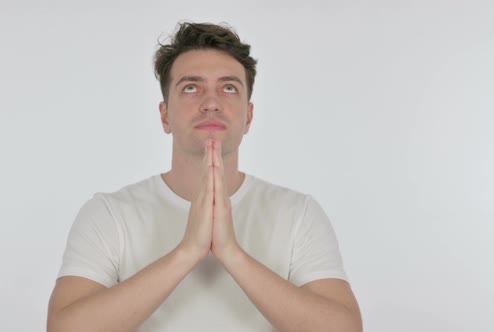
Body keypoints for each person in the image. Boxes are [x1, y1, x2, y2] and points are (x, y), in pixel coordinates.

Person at [47, 22, 362, 332]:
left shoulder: (298, 214)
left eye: (228, 88)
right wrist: (187, 252)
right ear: (165, 114)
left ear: (249, 116)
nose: (211, 103)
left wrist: (232, 254)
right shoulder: (108, 214)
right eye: (190, 88)